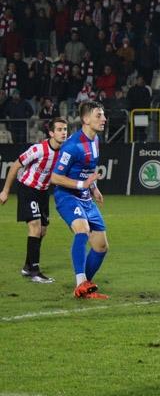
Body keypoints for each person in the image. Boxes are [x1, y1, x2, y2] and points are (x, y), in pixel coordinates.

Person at [50, 101, 110, 299]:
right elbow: (55, 177)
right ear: (86, 119)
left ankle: (85, 287)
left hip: (85, 196)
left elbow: (89, 167)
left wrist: (93, 187)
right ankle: (80, 283)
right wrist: (82, 185)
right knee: (82, 230)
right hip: (67, 196)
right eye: (99, 115)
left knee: (101, 246)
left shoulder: (95, 140)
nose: (104, 119)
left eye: (103, 115)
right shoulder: (72, 145)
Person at [0, 117, 68, 283]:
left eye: (65, 129)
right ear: (51, 133)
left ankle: (27, 266)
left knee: (42, 231)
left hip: (43, 193)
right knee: (35, 227)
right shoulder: (39, 149)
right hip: (28, 189)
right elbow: (16, 165)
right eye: (59, 130)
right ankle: (35, 272)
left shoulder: (65, 152)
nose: (63, 133)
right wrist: (5, 191)